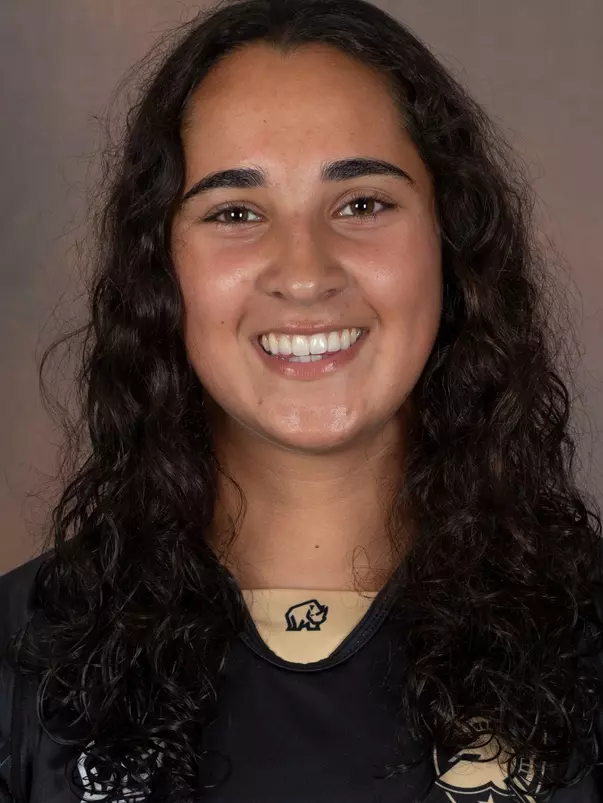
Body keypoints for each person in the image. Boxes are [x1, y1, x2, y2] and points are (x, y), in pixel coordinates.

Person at [1, 0, 602, 800]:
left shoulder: (586, 638)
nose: (305, 271)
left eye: (361, 203)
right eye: (235, 211)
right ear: (160, 270)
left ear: (449, 242)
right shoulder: (21, 657)